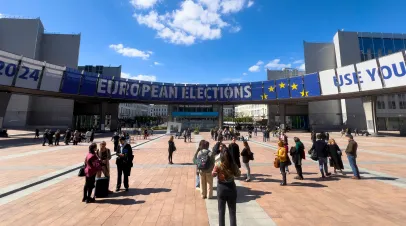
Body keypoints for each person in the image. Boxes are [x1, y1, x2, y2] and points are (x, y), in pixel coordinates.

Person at [212, 145, 241, 226]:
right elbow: (238, 174)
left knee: (221, 212)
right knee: (232, 212)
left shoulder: (218, 164)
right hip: (231, 187)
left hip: (221, 188)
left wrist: (215, 173)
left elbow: (213, 174)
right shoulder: (233, 164)